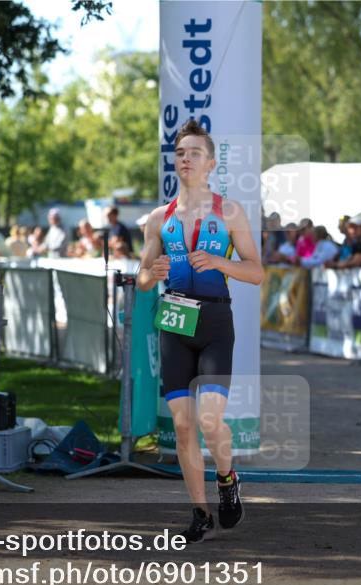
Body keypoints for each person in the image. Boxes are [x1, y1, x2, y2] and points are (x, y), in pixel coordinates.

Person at [137, 119, 263, 543]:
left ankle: (227, 480)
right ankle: (199, 512)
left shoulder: (229, 211)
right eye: (180, 153)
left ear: (210, 163)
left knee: (210, 421)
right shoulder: (160, 217)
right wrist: (150, 274)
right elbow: (141, 276)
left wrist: (221, 264)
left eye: (194, 153)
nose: (186, 159)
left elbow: (257, 271)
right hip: (174, 324)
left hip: (213, 323)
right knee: (184, 426)